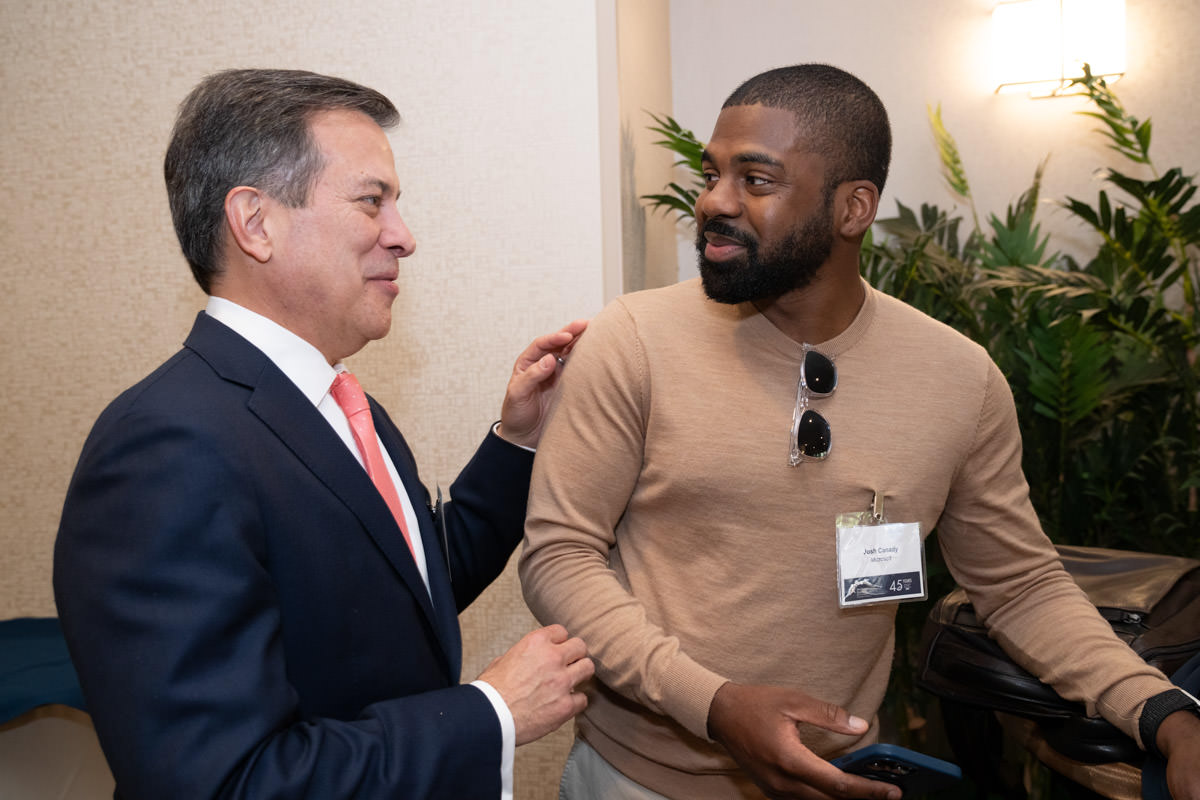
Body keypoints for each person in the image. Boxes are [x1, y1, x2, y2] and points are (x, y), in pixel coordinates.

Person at [519, 63, 1200, 800]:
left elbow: (1020, 586)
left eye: (755, 180)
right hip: (639, 781)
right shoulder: (633, 340)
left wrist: (1162, 711)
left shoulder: (959, 378)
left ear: (853, 209)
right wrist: (713, 705)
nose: (713, 202)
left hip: (840, 778)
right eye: (711, 174)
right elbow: (559, 555)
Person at [53, 68, 593, 800]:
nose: (404, 237)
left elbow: (407, 585)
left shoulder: (336, 399)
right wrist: (490, 713)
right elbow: (225, 782)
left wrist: (516, 439)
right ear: (256, 223)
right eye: (374, 201)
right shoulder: (164, 447)